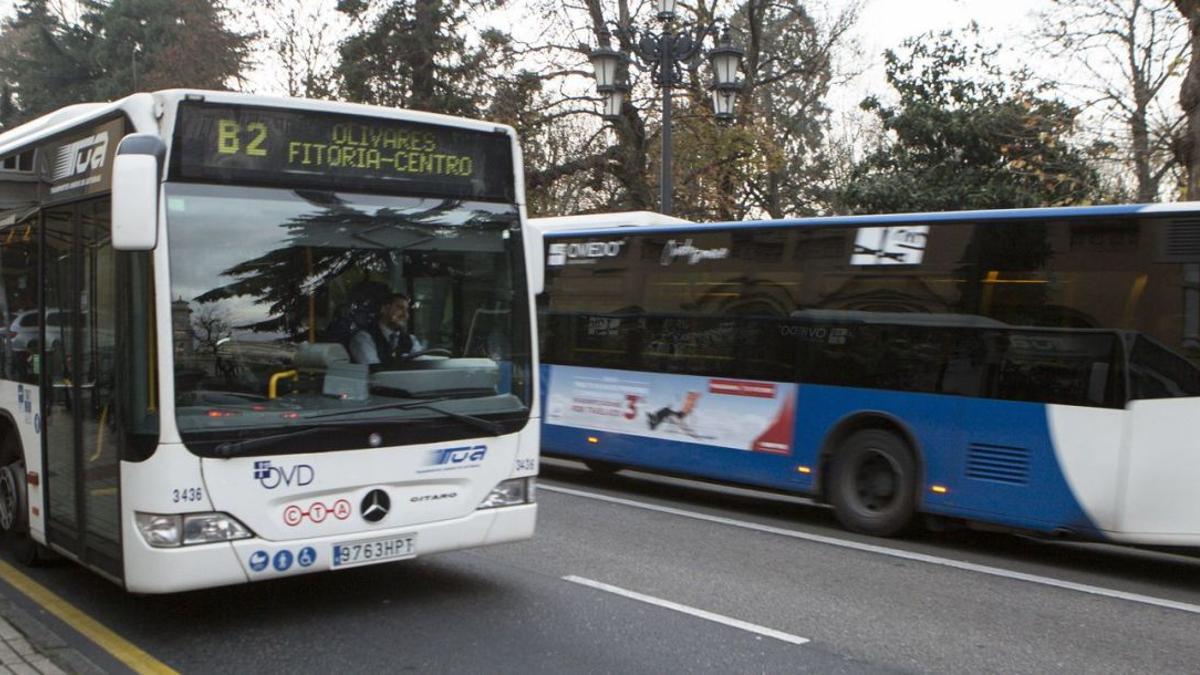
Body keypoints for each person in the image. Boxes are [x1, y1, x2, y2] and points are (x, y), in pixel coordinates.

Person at [348, 293, 425, 366]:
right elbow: (373, 370)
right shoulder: (364, 338)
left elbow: (423, 365)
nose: (405, 315)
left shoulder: (410, 339)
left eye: (407, 310)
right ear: (384, 309)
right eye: (400, 308)